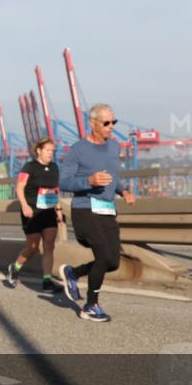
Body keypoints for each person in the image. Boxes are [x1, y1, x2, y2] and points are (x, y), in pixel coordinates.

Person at [59, 103, 136, 322]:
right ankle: (91, 306)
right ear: (92, 123)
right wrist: (88, 181)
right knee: (102, 256)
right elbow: (63, 181)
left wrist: (124, 191)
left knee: (112, 262)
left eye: (114, 122)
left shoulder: (113, 147)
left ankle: (73, 273)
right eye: (106, 123)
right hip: (85, 209)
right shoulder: (77, 150)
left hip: (107, 209)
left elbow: (113, 176)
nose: (111, 126)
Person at [6, 138, 63, 292]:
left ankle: (47, 281)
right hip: (32, 211)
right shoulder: (29, 167)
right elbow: (19, 187)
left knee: (49, 245)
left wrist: (58, 209)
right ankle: (15, 268)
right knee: (33, 247)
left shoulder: (54, 167)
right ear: (39, 150)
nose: (50, 153)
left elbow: (55, 189)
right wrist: (24, 206)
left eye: (52, 151)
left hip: (48, 211)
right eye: (47, 150)